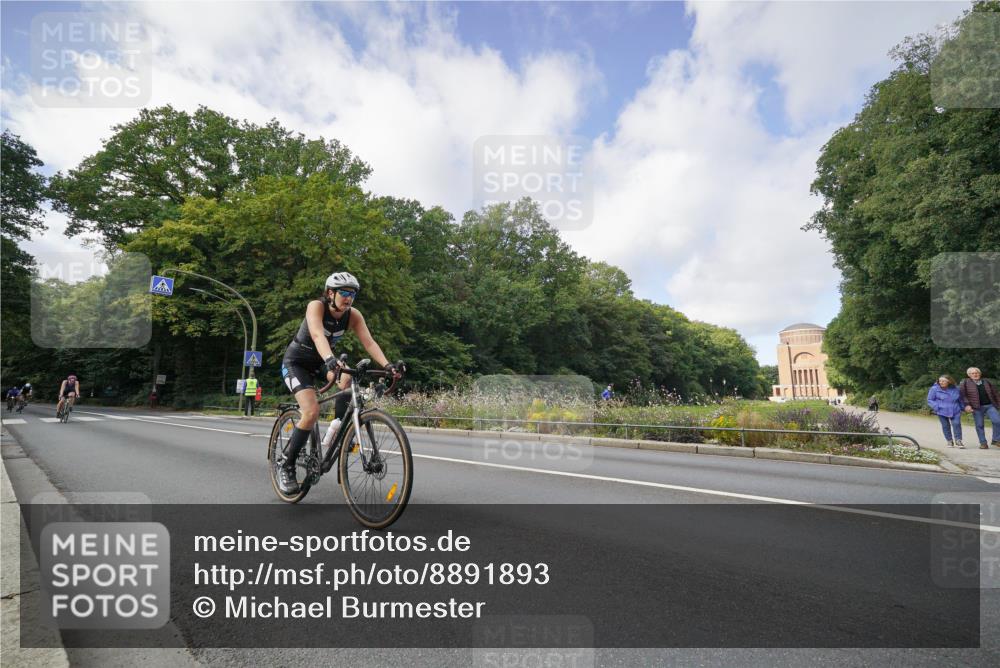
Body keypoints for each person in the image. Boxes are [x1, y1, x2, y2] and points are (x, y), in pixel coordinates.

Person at [277, 272, 401, 495]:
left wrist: (387, 365)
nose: (348, 298)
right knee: (311, 411)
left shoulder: (353, 315)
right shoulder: (316, 306)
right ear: (330, 293)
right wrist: (329, 359)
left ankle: (335, 427)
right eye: (344, 293)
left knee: (348, 379)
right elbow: (316, 334)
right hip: (297, 362)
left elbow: (369, 342)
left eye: (352, 294)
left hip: (324, 361)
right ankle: (286, 464)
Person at [959, 367, 1000, 449]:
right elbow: (963, 395)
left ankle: (996, 439)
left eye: (977, 373)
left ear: (980, 374)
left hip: (990, 405)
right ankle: (983, 443)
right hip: (976, 407)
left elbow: (995, 393)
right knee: (979, 425)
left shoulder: (986, 381)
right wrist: (967, 405)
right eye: (973, 373)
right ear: (969, 375)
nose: (975, 374)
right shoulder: (965, 383)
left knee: (997, 421)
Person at [927, 375, 965, 448]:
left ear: (949, 381)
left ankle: (958, 440)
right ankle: (949, 441)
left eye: (943, 381)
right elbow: (930, 400)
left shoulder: (956, 389)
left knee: (957, 424)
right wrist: (937, 406)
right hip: (941, 410)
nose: (941, 382)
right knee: (945, 426)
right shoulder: (934, 389)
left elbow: (960, 400)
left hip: (955, 409)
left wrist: (963, 408)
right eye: (940, 381)